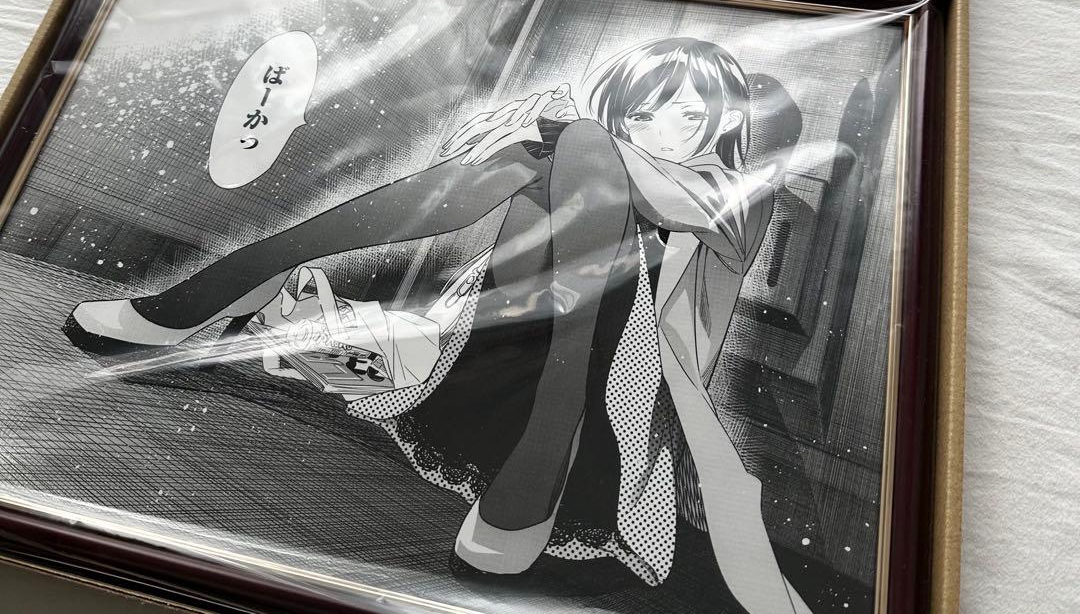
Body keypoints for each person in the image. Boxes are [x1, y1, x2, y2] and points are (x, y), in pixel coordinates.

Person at [64, 37, 813, 614]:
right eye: (642, 111)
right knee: (554, 157)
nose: (658, 130)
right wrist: (547, 139)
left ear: (724, 126)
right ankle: (234, 292)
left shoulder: (734, 195)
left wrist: (563, 132)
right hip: (492, 364)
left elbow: (661, 196)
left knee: (575, 148)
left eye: (687, 115)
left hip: (605, 409)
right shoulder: (583, 154)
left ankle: (201, 304)